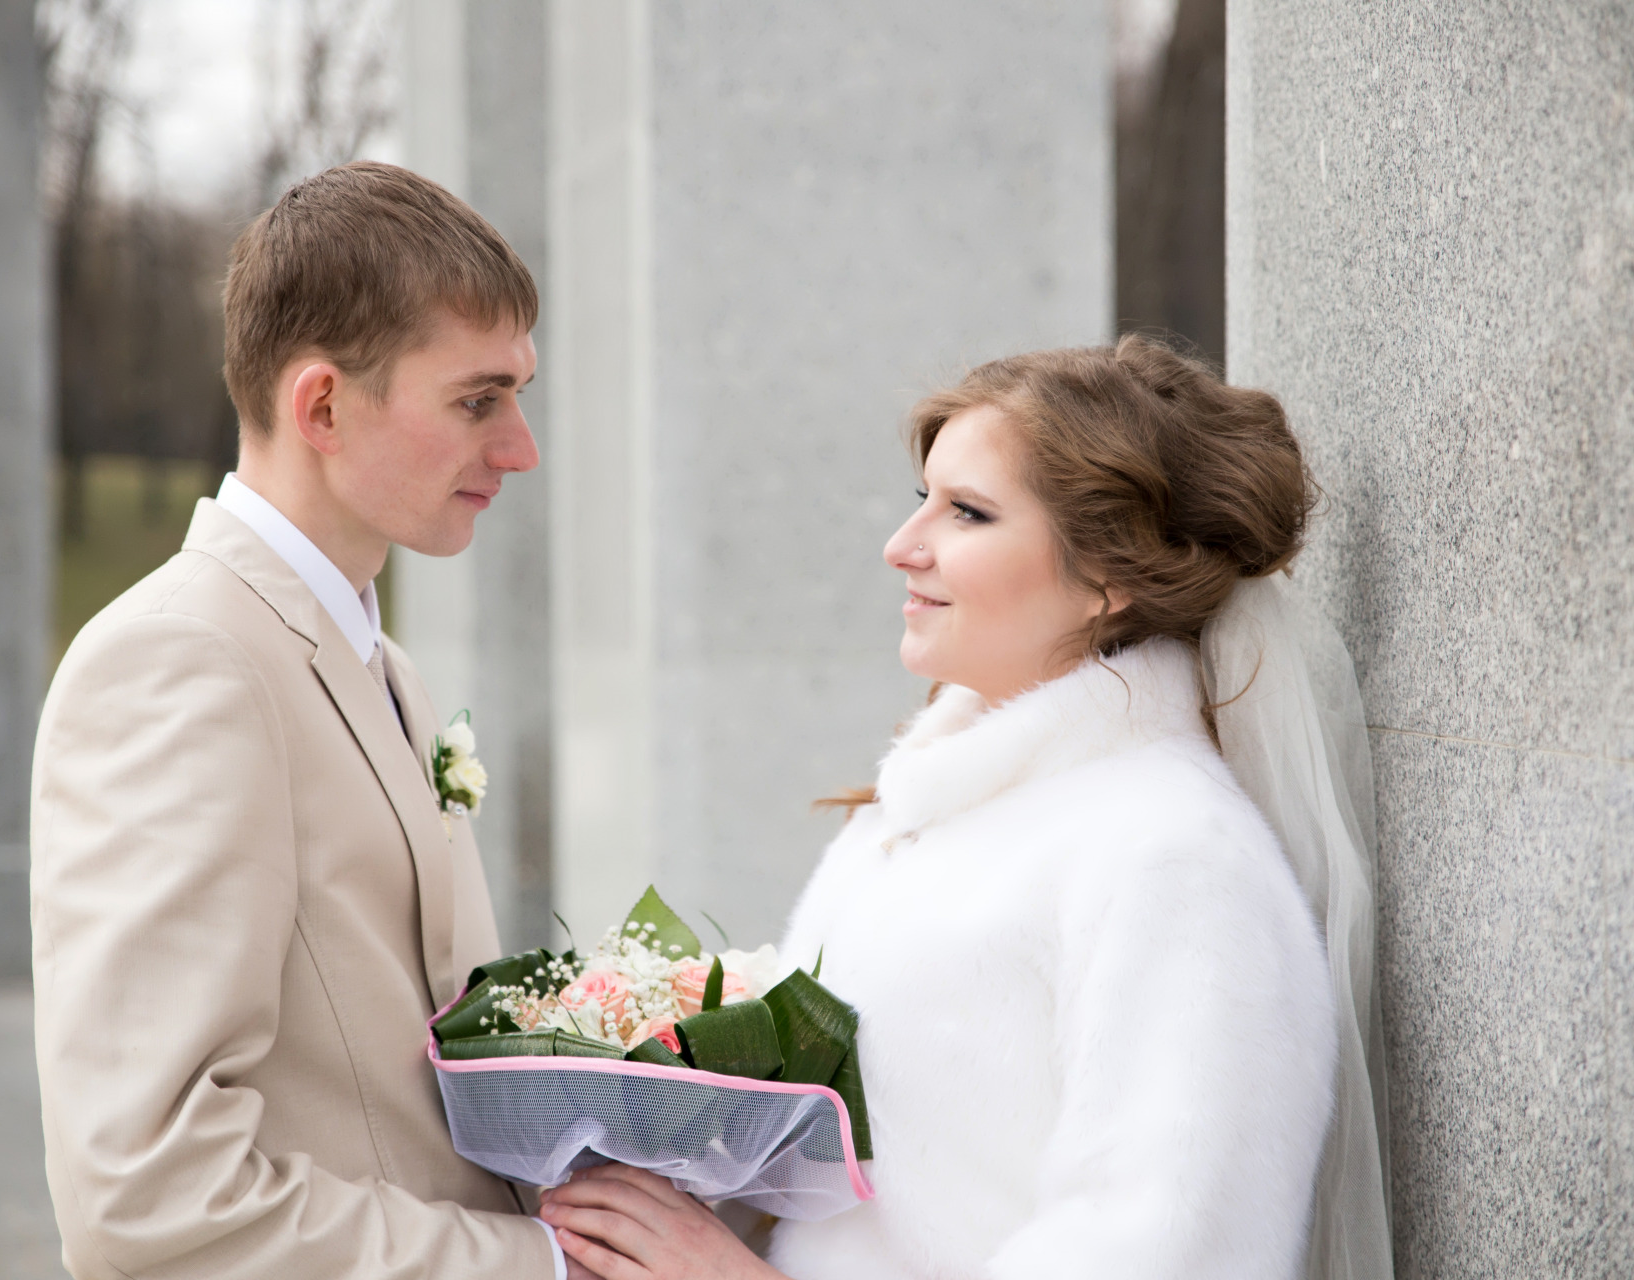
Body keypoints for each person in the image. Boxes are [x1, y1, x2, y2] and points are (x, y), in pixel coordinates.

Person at [535, 338, 1394, 1280]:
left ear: (1110, 578)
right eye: (923, 500)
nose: (903, 546)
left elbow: (1166, 1250)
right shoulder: (919, 809)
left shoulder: (1175, 858)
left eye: (969, 513)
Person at [30, 163, 572, 1279]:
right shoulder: (180, 660)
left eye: (519, 394)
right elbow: (148, 1200)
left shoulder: (388, 667)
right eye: (479, 400)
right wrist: (550, 1266)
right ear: (321, 404)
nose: (520, 447)